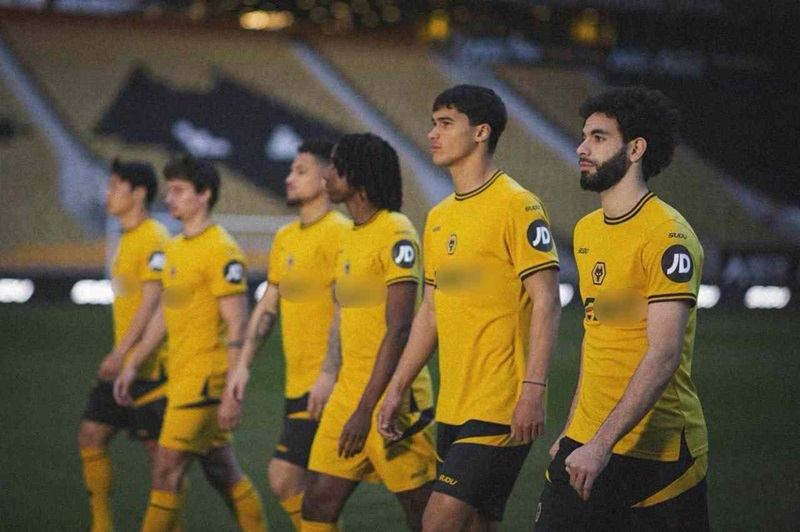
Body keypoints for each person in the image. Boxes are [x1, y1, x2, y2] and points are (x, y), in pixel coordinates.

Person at [377, 84, 562, 532]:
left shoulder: (518, 205)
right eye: (433, 124)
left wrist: (533, 390)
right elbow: (431, 311)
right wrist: (397, 386)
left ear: (481, 132)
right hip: (453, 404)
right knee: (477, 524)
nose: (432, 134)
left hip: (501, 403)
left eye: (445, 123)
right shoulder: (438, 217)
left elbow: (547, 300)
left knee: (438, 521)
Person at [534, 86, 709, 530]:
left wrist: (601, 445)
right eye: (583, 137)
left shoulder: (668, 236)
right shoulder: (587, 230)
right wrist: (573, 430)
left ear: (635, 149)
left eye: (598, 138)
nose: (581, 148)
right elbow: (597, 338)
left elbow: (663, 353)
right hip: (587, 440)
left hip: (659, 456)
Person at [114, 154, 267, 532]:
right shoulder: (176, 248)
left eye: (179, 191)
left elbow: (238, 322)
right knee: (223, 471)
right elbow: (164, 316)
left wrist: (232, 389)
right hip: (181, 377)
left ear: (204, 194)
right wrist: (134, 362)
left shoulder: (221, 250)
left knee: (165, 470)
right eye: (169, 190)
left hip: (204, 382)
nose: (169, 198)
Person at [300, 133, 437, 532]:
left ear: (357, 176)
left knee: (426, 514)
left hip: (393, 398)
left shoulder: (396, 231)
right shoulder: (349, 235)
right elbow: (344, 316)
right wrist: (333, 378)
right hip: (348, 392)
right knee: (317, 503)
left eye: (334, 166)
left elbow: (400, 329)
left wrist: (366, 409)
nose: (326, 174)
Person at [225, 140, 349, 529]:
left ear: (326, 178)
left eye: (300, 170)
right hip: (298, 384)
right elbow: (268, 305)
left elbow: (347, 308)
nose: (289, 178)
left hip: (331, 386)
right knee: (309, 490)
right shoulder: (285, 238)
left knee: (286, 478)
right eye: (291, 170)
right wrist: (243, 365)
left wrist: (329, 372)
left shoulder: (342, 234)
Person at [78, 158, 170, 532]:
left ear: (139, 193)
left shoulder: (154, 237)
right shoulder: (127, 238)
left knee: (163, 468)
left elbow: (152, 303)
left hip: (150, 368)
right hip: (124, 366)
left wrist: (120, 353)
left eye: (116, 186)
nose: (108, 194)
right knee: (90, 436)